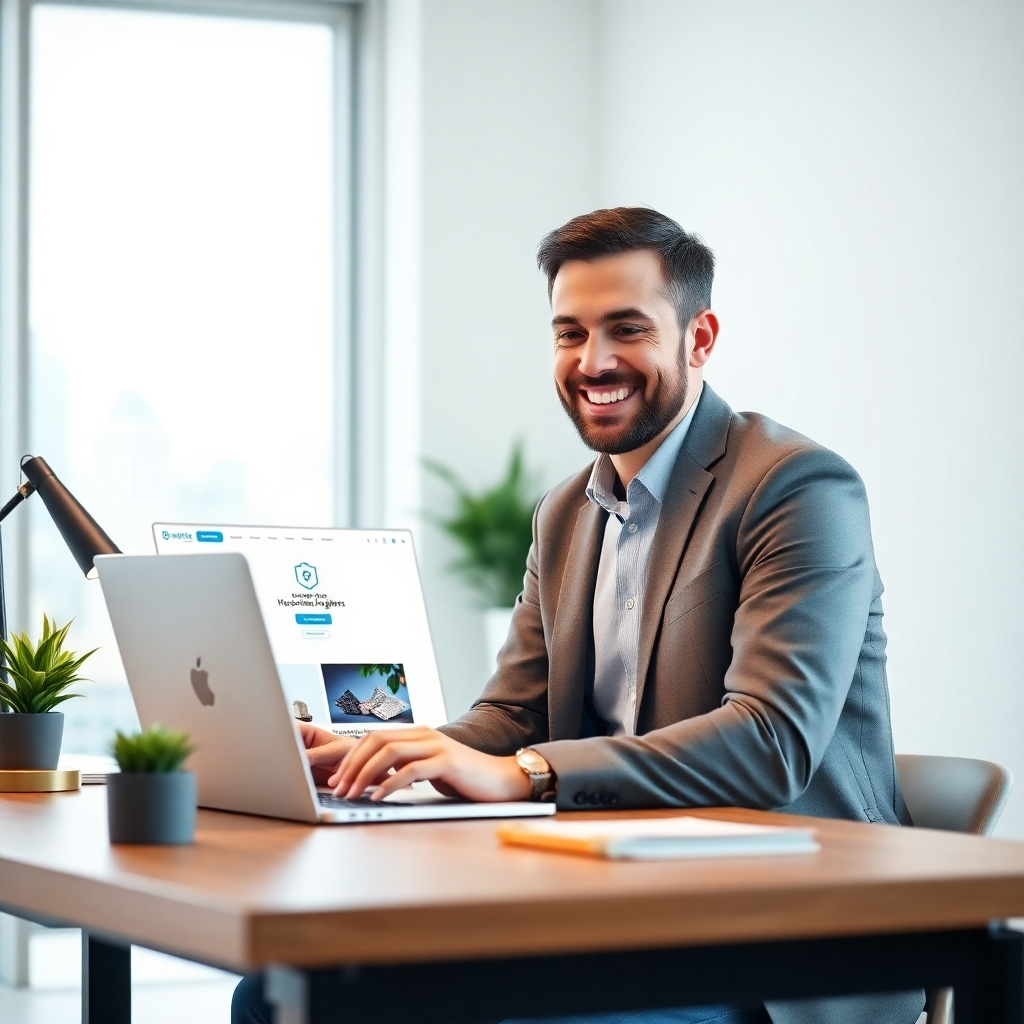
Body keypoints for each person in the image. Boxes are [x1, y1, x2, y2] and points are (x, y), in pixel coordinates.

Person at [232, 208, 923, 1024]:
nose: (593, 361)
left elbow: (771, 741)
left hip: (771, 938)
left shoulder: (797, 488)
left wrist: (533, 773)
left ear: (699, 338)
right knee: (291, 997)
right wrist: (380, 754)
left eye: (626, 329)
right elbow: (511, 715)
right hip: (611, 907)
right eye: (569, 333)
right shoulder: (566, 513)